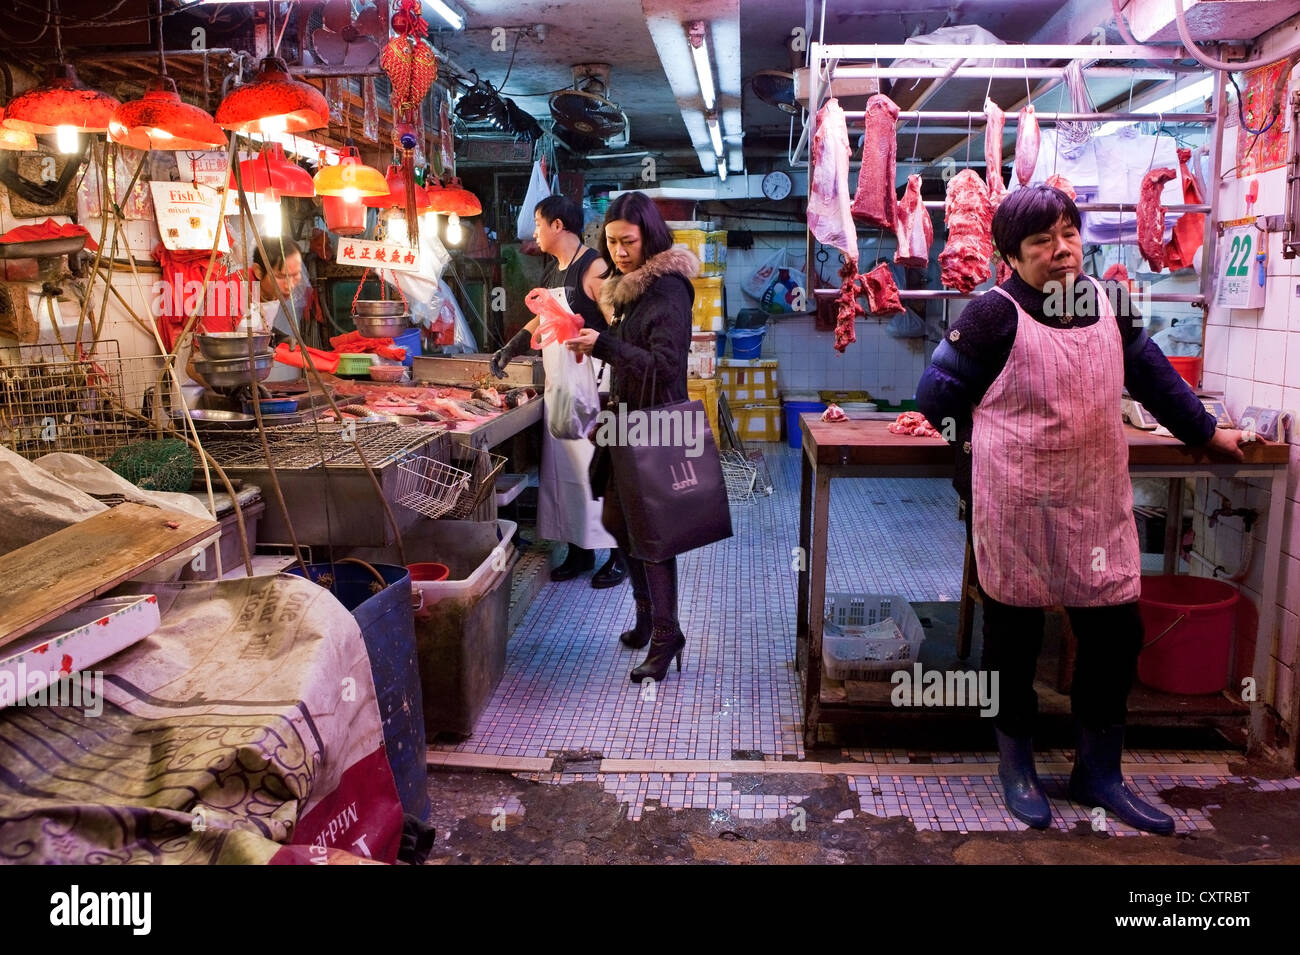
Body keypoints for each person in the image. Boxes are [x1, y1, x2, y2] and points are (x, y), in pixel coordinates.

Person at [916, 184, 1248, 834]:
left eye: (1068, 233)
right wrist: (980, 464)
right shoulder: (992, 313)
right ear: (1010, 254)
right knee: (1015, 638)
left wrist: (1208, 433)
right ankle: (1017, 768)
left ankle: (1098, 771)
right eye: (1042, 240)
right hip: (1018, 505)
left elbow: (1153, 375)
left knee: (1115, 635)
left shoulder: (1108, 303)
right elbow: (936, 398)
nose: (1061, 250)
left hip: (1094, 502)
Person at [566, 191, 698, 682]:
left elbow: (665, 367)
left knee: (654, 537)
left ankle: (668, 635)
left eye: (629, 241)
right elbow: (629, 353)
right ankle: (647, 617)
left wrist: (604, 345)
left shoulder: (667, 291)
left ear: (649, 237)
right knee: (619, 523)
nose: (619, 251)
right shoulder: (629, 288)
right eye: (612, 242)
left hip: (658, 424)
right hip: (625, 420)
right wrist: (602, 348)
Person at [491, 196, 628, 589]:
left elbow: (616, 324)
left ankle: (618, 557)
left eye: (538, 222)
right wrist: (512, 346)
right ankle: (580, 551)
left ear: (557, 226)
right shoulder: (554, 269)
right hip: (560, 388)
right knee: (565, 472)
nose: (534, 231)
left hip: (590, 387)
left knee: (600, 473)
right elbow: (542, 318)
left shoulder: (594, 267)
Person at [250, 239, 305, 344]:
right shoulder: (225, 290)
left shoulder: (272, 291)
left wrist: (278, 338)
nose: (290, 286)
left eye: (295, 274)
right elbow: (215, 343)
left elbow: (260, 325)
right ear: (258, 272)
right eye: (281, 276)